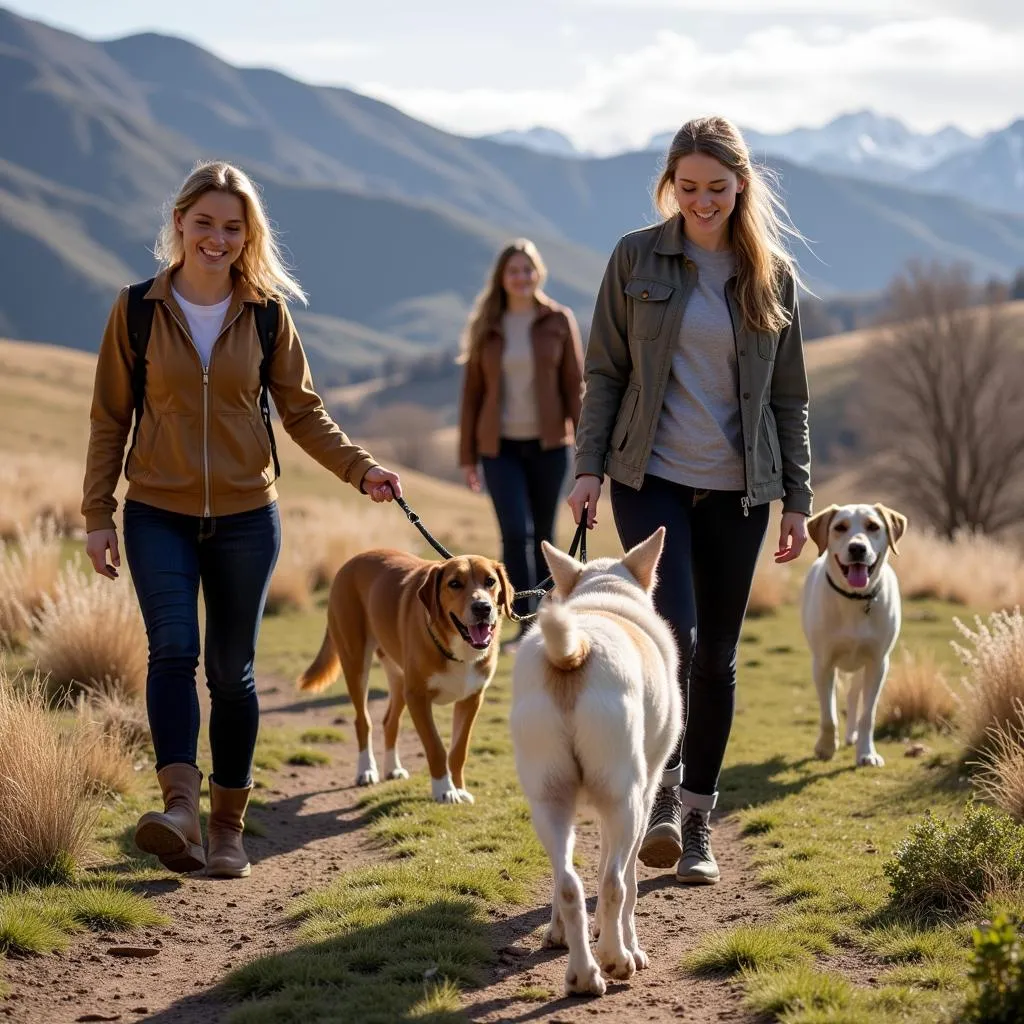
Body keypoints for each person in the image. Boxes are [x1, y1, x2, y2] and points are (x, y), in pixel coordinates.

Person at [81, 161, 403, 879]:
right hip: (155, 512)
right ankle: (180, 812)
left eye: (232, 228)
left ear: (247, 235)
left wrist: (362, 469)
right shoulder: (136, 309)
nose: (216, 239)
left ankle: (228, 827)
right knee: (171, 651)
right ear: (179, 225)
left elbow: (302, 412)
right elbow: (110, 418)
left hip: (246, 519)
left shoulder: (265, 314)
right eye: (204, 224)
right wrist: (98, 513)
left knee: (233, 673)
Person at [567, 115, 812, 885]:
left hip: (741, 490)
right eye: (688, 187)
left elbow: (789, 399)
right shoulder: (635, 257)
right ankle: (663, 801)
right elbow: (604, 372)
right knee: (670, 638)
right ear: (669, 184)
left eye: (716, 187)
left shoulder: (771, 276)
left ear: (742, 184)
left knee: (716, 658)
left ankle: (699, 819)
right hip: (652, 477)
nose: (701, 202)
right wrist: (587, 468)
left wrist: (798, 499)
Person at [458, 239, 584, 648]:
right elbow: (472, 395)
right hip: (500, 449)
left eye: (527, 269)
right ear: (502, 278)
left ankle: (549, 617)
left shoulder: (559, 321)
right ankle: (523, 622)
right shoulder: (487, 326)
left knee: (545, 534)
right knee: (515, 533)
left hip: (550, 446)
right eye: (513, 271)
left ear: (539, 273)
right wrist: (468, 458)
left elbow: (574, 389)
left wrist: (590, 453)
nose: (521, 277)